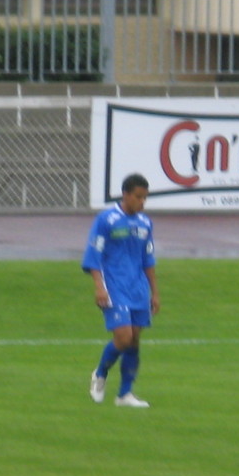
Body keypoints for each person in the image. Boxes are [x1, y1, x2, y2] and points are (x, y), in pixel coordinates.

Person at [82, 173, 160, 408]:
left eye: (145, 198)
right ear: (125, 195)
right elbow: (94, 255)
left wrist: (155, 293)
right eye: (138, 197)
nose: (142, 202)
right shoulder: (107, 220)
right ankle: (100, 373)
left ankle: (125, 394)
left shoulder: (145, 223)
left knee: (134, 340)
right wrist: (99, 287)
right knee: (123, 337)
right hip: (114, 286)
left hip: (138, 288)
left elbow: (148, 259)